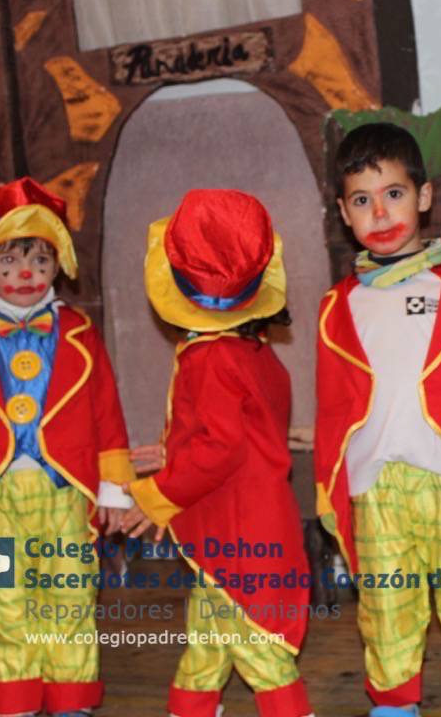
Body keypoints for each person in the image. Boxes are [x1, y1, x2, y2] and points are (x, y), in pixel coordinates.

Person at [0, 177, 134, 717]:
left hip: (65, 496)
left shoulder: (81, 333)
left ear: (57, 266)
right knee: (0, 605)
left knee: (70, 598)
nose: (25, 273)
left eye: (39, 259)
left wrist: (114, 489)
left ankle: (71, 703)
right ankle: (12, 704)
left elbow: (108, 413)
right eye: (8, 261)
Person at [314, 122, 441, 717]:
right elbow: (331, 407)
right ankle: (394, 708)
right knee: (386, 611)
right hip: (377, 488)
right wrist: (330, 484)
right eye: (362, 200)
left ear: (424, 197)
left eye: (394, 193)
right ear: (345, 214)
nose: (380, 212)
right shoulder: (337, 305)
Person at [122, 188, 315, 717]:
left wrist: (159, 494)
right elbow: (244, 439)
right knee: (207, 648)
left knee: (260, 651)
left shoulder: (208, 358)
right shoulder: (258, 356)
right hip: (252, 524)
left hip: (235, 536)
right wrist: (171, 451)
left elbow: (222, 447)